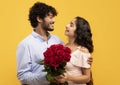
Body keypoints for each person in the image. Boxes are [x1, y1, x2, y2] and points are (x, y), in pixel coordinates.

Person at [16, 2, 93, 85]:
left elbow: (73, 57)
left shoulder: (57, 41)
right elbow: (22, 76)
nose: (54, 20)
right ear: (39, 19)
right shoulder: (25, 44)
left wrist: (86, 58)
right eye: (50, 17)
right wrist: (47, 77)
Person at [55, 16, 94, 85]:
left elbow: (87, 78)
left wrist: (69, 78)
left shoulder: (83, 51)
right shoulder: (63, 47)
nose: (66, 26)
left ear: (78, 31)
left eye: (71, 25)